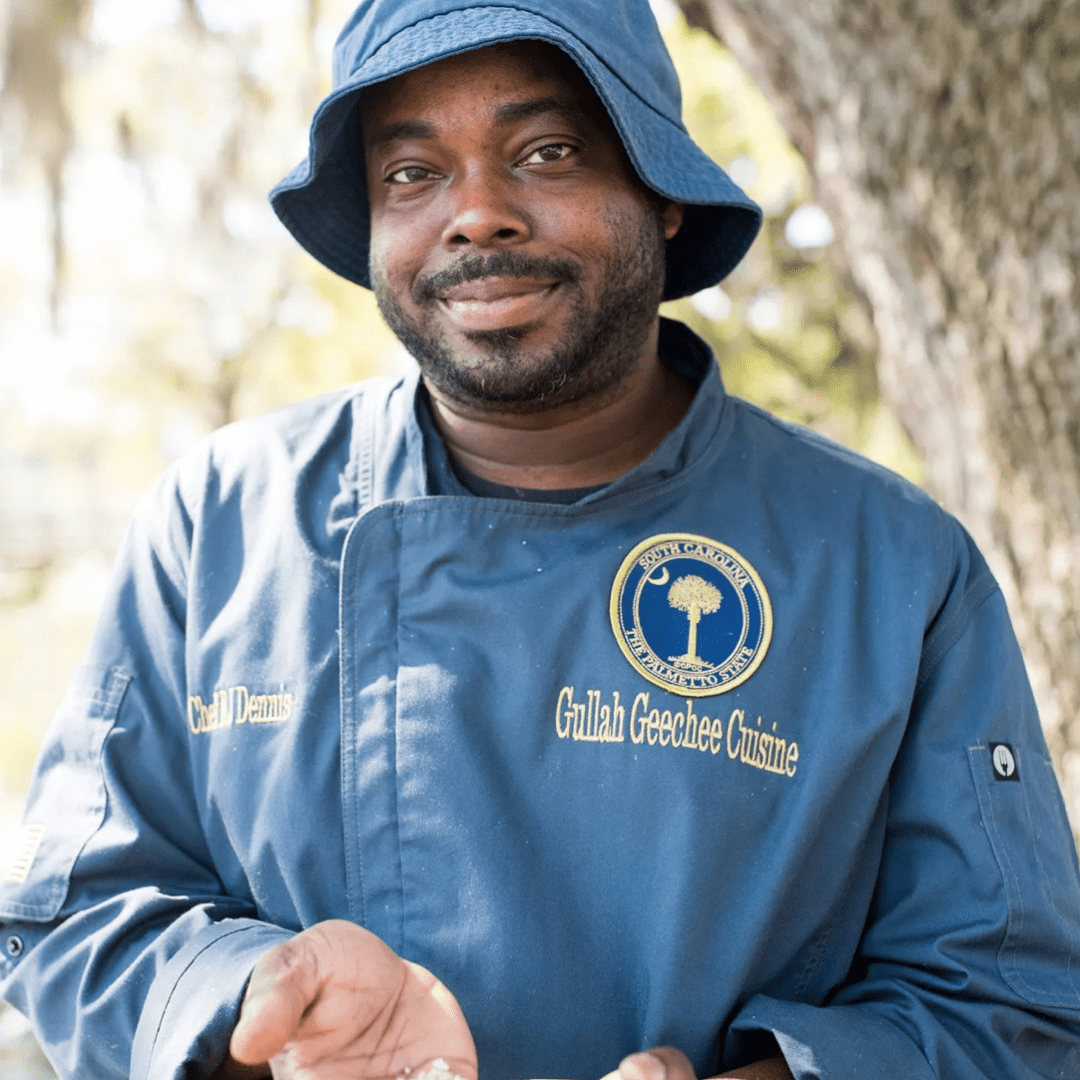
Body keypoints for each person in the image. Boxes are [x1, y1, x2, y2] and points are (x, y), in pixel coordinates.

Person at [2, 1, 1079, 1078]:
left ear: (659, 193)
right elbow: (74, 912)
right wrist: (259, 1009)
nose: (475, 216)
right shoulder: (220, 524)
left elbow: (1009, 1006)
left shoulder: (889, 564)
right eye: (412, 173)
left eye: (545, 151)